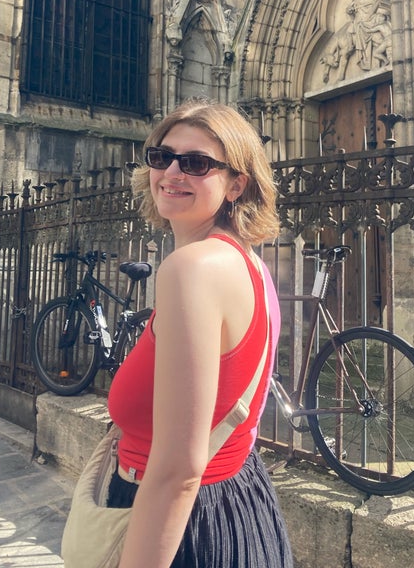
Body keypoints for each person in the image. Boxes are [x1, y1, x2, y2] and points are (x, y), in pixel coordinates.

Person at [106, 98, 293, 568]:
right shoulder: (248, 263)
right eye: (162, 156)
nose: (171, 172)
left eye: (196, 163)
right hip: (240, 505)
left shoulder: (192, 268)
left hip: (184, 530)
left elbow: (179, 471)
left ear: (236, 185)